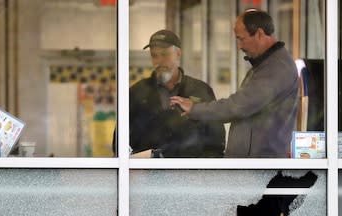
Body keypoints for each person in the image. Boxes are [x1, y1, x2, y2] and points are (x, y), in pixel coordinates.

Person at [174, 9, 299, 158]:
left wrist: (195, 109)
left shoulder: (277, 67)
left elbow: (239, 106)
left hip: (260, 169)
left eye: (241, 39)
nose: (239, 46)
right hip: (252, 167)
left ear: (259, 34)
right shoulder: (264, 66)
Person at [115, 29, 225, 158]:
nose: (159, 61)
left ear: (178, 54)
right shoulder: (137, 92)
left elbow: (216, 139)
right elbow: (120, 140)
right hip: (149, 174)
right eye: (154, 56)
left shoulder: (200, 90)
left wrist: (204, 172)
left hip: (191, 173)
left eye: (164, 54)